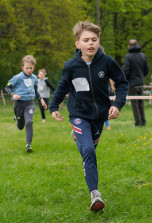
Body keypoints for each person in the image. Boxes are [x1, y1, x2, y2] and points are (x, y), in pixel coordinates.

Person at [49, 21, 128, 212]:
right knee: (88, 151)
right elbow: (62, 86)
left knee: (90, 148)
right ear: (78, 44)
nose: (91, 43)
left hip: (100, 116)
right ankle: (95, 194)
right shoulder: (70, 66)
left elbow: (122, 83)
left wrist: (117, 104)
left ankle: (78, 135)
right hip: (78, 113)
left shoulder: (107, 61)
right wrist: (53, 106)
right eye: (86, 40)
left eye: (94, 39)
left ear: (99, 41)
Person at [5, 55, 47, 153]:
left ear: (34, 68)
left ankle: (28, 145)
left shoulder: (34, 78)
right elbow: (7, 87)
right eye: (27, 68)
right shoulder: (17, 77)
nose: (29, 70)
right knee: (20, 127)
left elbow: (36, 90)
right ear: (22, 67)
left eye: (30, 68)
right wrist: (13, 94)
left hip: (30, 103)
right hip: (19, 104)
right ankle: (17, 118)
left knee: (29, 122)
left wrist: (41, 99)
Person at [123, 39, 149, 127]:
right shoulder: (143, 56)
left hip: (132, 83)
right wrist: (141, 77)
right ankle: (143, 121)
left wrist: (126, 79)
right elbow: (146, 70)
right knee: (141, 103)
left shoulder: (128, 57)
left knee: (135, 104)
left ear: (129, 46)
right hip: (141, 82)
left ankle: (138, 123)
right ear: (137, 44)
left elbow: (126, 70)